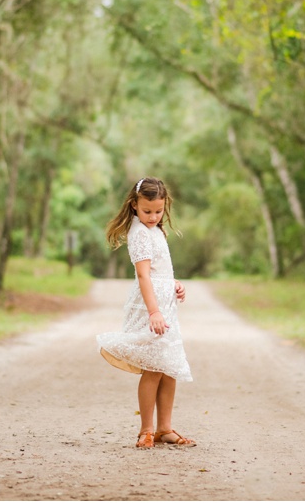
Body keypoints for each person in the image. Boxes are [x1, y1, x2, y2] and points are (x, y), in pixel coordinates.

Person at [96, 176, 196, 448]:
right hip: (151, 309)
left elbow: (159, 270)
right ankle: (147, 429)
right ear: (134, 206)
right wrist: (154, 312)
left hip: (166, 307)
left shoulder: (156, 231)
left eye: (158, 211)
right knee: (153, 368)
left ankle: (165, 428)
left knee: (169, 367)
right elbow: (143, 276)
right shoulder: (139, 233)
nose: (153, 216)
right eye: (147, 211)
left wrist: (173, 284)